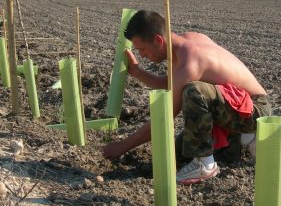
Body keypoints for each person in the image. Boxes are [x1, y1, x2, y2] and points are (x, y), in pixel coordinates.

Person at [102, 10, 271, 185]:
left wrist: (122, 146)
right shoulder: (187, 41)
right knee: (178, 154)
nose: (143, 55)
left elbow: (164, 117)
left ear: (158, 40)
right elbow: (173, 83)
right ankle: (240, 141)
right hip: (232, 109)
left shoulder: (190, 62)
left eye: (142, 49)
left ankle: (206, 165)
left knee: (192, 92)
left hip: (255, 112)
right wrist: (137, 72)